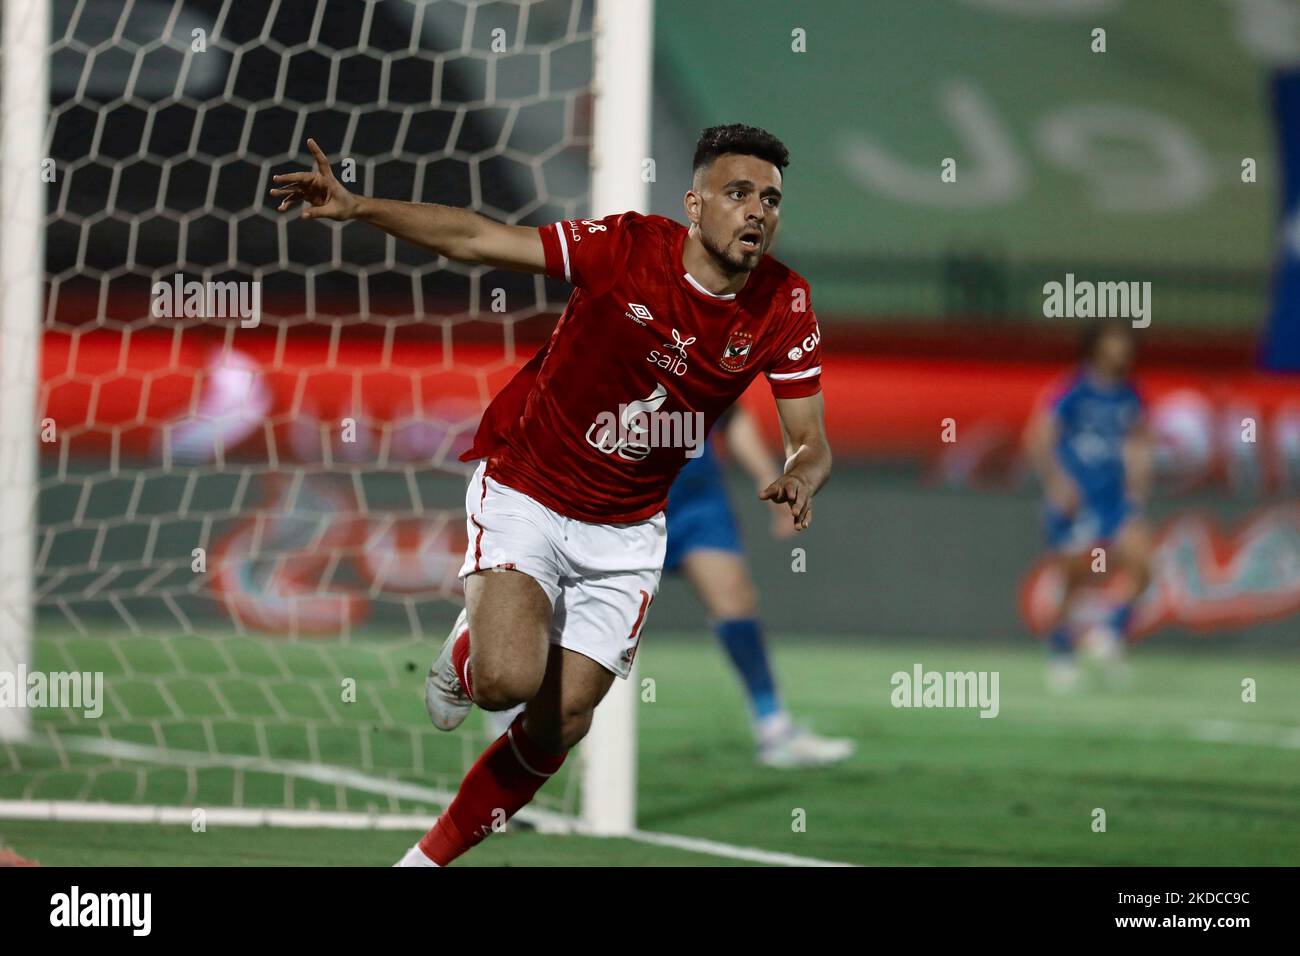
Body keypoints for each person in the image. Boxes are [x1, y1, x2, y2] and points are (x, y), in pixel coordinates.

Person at [272, 123, 832, 866]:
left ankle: (420, 862)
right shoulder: (628, 249)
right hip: (529, 484)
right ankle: (472, 654)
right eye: (737, 193)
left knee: (560, 721)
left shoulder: (784, 304)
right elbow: (477, 239)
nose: (757, 210)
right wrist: (358, 207)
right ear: (694, 205)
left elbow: (812, 437)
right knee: (507, 682)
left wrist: (799, 471)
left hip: (628, 528)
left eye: (770, 199)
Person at [1024, 319, 1154, 690]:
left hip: (1115, 499)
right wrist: (1055, 481)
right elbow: (1038, 436)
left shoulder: (1130, 395)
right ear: (1096, 346)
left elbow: (1140, 440)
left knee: (1143, 563)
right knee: (1075, 578)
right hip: (1077, 499)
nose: (1122, 349)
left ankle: (1107, 633)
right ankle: (1061, 652)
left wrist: (1138, 485)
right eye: (1114, 341)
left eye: (1126, 341)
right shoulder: (1072, 391)